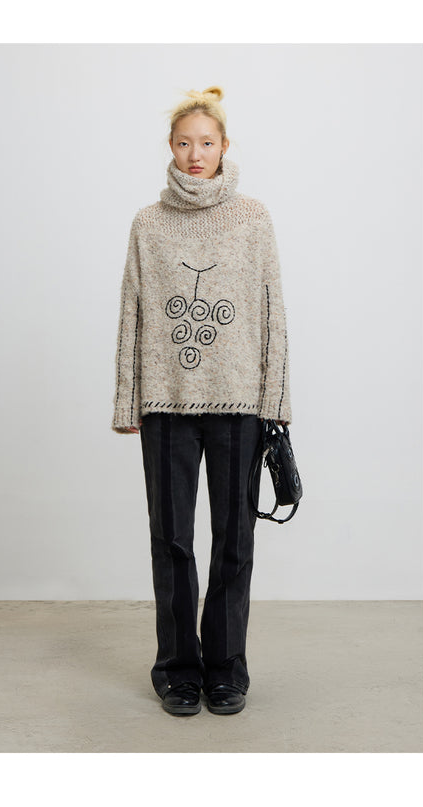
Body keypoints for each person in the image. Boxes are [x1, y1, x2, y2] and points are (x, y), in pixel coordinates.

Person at [111, 86, 292, 716]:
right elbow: (132, 310)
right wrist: (127, 401)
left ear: (224, 147)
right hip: (167, 404)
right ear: (170, 146)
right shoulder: (147, 223)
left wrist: (276, 401)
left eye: (206, 143)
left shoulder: (253, 218)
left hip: (240, 406)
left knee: (234, 541)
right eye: (185, 143)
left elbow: (272, 312)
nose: (196, 154)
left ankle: (227, 668)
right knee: (172, 541)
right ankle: (177, 668)